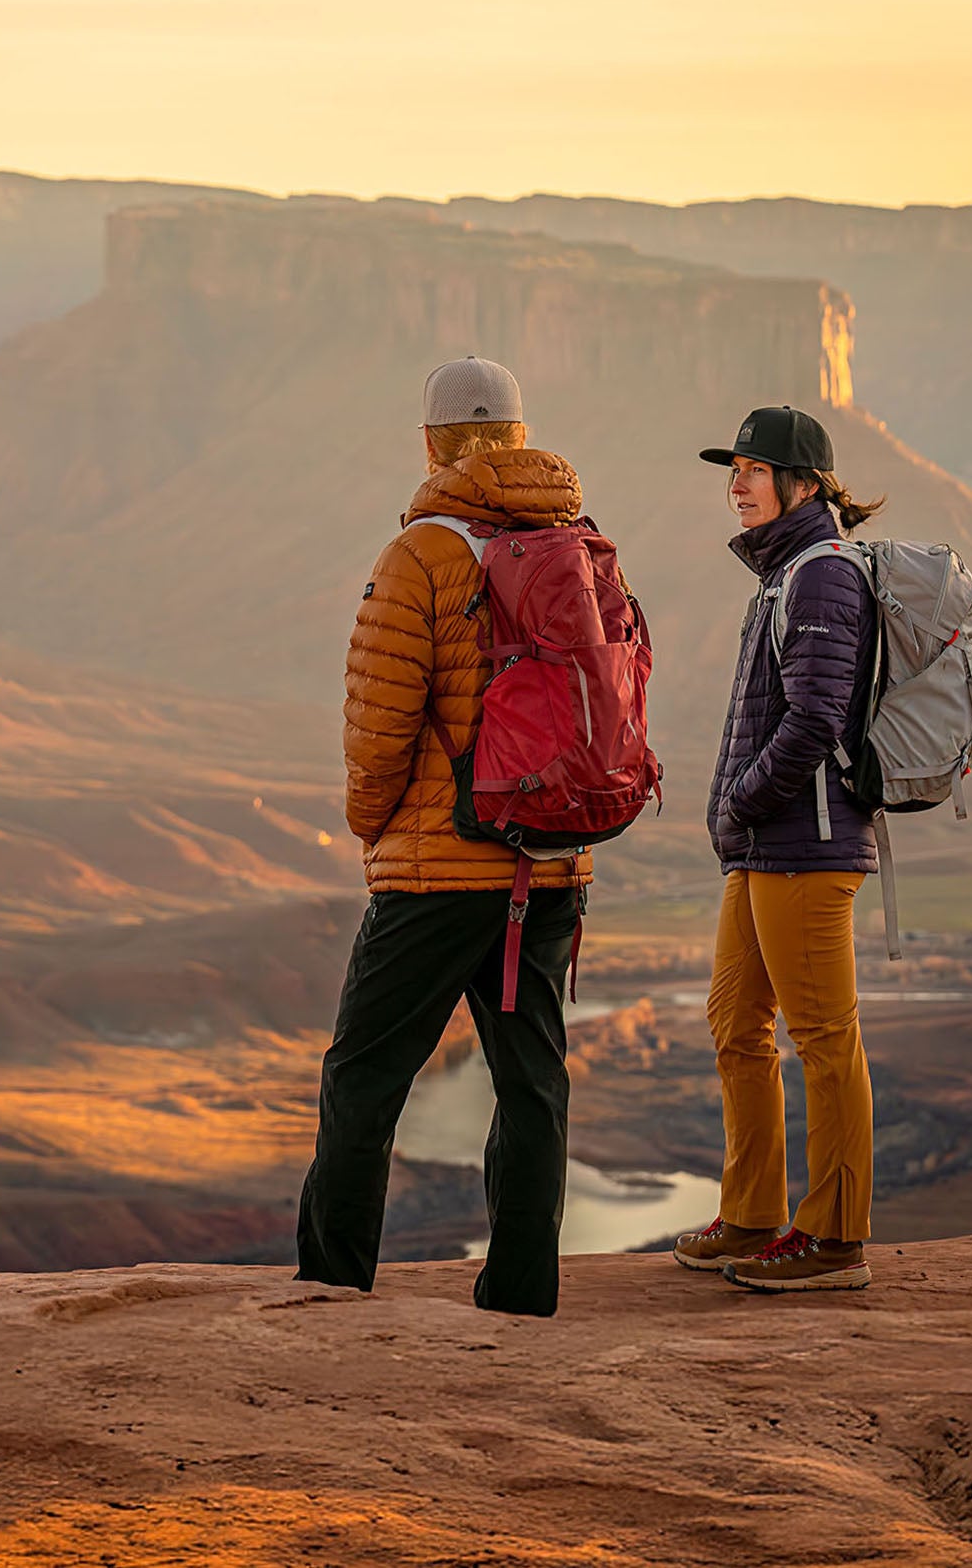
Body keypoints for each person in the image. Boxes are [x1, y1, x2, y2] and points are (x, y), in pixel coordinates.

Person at [295, 356, 592, 1315]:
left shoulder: (422, 553)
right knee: (531, 1084)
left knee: (363, 1077)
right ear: (516, 436)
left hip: (434, 870)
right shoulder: (574, 541)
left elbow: (379, 722)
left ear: (431, 443)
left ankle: (332, 1286)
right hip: (545, 861)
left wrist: (369, 823)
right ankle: (520, 1293)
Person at [674, 404, 884, 1293]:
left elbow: (814, 720)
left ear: (801, 483)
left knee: (823, 1039)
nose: (735, 483)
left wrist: (744, 798)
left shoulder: (821, 576)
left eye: (751, 470)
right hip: (766, 844)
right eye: (732, 471)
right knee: (734, 1023)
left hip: (807, 842)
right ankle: (753, 1212)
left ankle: (833, 1239)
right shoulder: (783, 573)